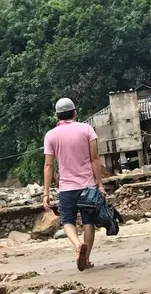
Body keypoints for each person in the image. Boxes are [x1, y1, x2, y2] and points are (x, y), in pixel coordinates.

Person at [43, 97, 107, 272]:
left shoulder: (51, 135)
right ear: (74, 112)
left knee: (67, 221)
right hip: (88, 186)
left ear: (57, 116)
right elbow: (95, 159)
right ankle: (85, 259)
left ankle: (78, 245)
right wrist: (100, 185)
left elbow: (49, 165)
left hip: (66, 188)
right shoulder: (87, 129)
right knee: (89, 222)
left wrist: (46, 192)